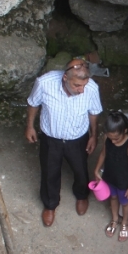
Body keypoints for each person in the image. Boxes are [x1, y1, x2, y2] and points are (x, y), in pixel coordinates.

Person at [25, 58, 102, 227]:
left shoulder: (91, 89)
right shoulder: (44, 83)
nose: (82, 90)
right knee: (49, 172)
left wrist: (94, 135)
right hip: (51, 138)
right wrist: (30, 126)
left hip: (77, 138)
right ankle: (50, 204)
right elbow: (33, 103)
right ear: (65, 78)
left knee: (81, 169)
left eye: (84, 85)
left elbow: (94, 112)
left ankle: (82, 195)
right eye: (77, 86)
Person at [93, 111, 128, 242]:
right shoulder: (107, 139)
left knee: (124, 202)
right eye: (110, 138)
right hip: (110, 176)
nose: (113, 141)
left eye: (116, 138)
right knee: (112, 197)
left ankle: (125, 222)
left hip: (124, 180)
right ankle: (115, 219)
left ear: (125, 130)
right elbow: (103, 154)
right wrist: (96, 170)